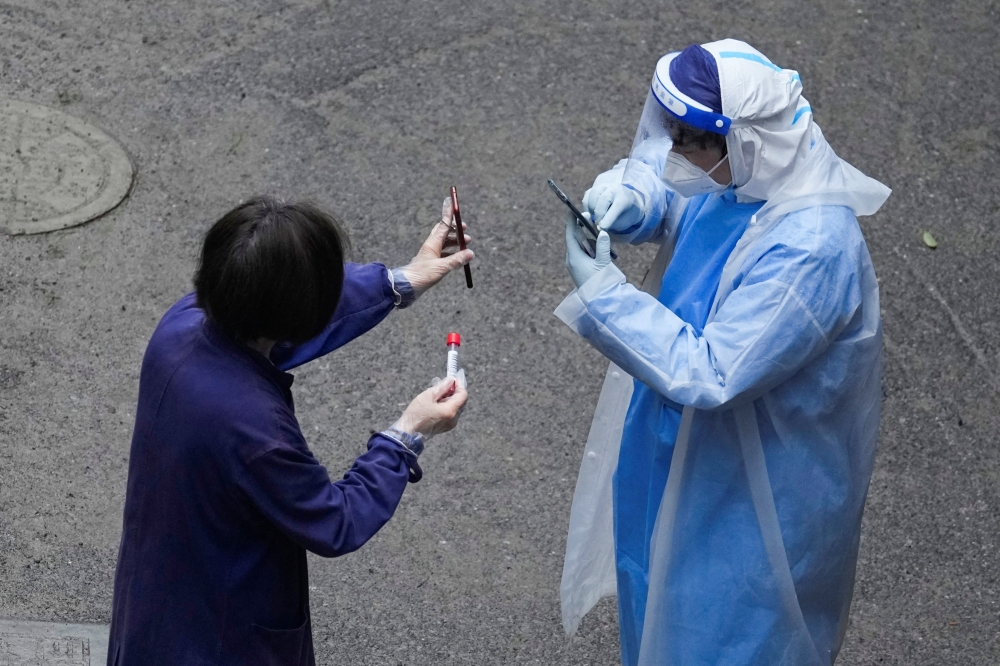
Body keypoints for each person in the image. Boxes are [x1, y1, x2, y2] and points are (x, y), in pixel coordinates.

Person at [555, 39, 891, 666]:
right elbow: (681, 188)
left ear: (743, 142)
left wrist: (605, 293)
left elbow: (711, 371)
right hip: (687, 452)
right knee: (657, 604)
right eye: (672, 131)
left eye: (689, 137)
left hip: (755, 496)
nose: (673, 149)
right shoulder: (751, 168)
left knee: (728, 638)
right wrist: (629, 202)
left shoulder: (812, 248)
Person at [106, 196, 473, 666]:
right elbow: (334, 522)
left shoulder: (182, 325)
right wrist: (406, 435)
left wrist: (398, 282)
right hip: (223, 637)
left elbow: (282, 306)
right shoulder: (257, 429)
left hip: (157, 598)